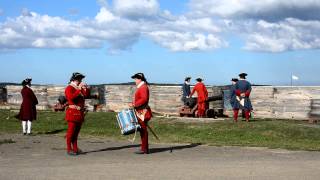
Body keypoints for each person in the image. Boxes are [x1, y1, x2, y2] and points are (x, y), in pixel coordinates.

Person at [64, 72, 90, 156]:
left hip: (79, 113)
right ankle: (69, 149)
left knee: (76, 133)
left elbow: (86, 95)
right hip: (72, 112)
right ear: (75, 80)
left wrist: (87, 88)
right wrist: (79, 89)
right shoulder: (69, 88)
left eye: (81, 79)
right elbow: (71, 97)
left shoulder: (78, 87)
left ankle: (75, 148)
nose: (80, 81)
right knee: (70, 132)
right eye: (79, 79)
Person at [129, 73, 152, 154]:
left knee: (143, 130)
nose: (135, 81)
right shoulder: (142, 87)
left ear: (140, 79)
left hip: (143, 112)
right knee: (142, 130)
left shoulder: (143, 87)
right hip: (141, 112)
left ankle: (144, 149)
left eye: (135, 79)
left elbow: (144, 99)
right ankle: (144, 148)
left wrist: (134, 104)